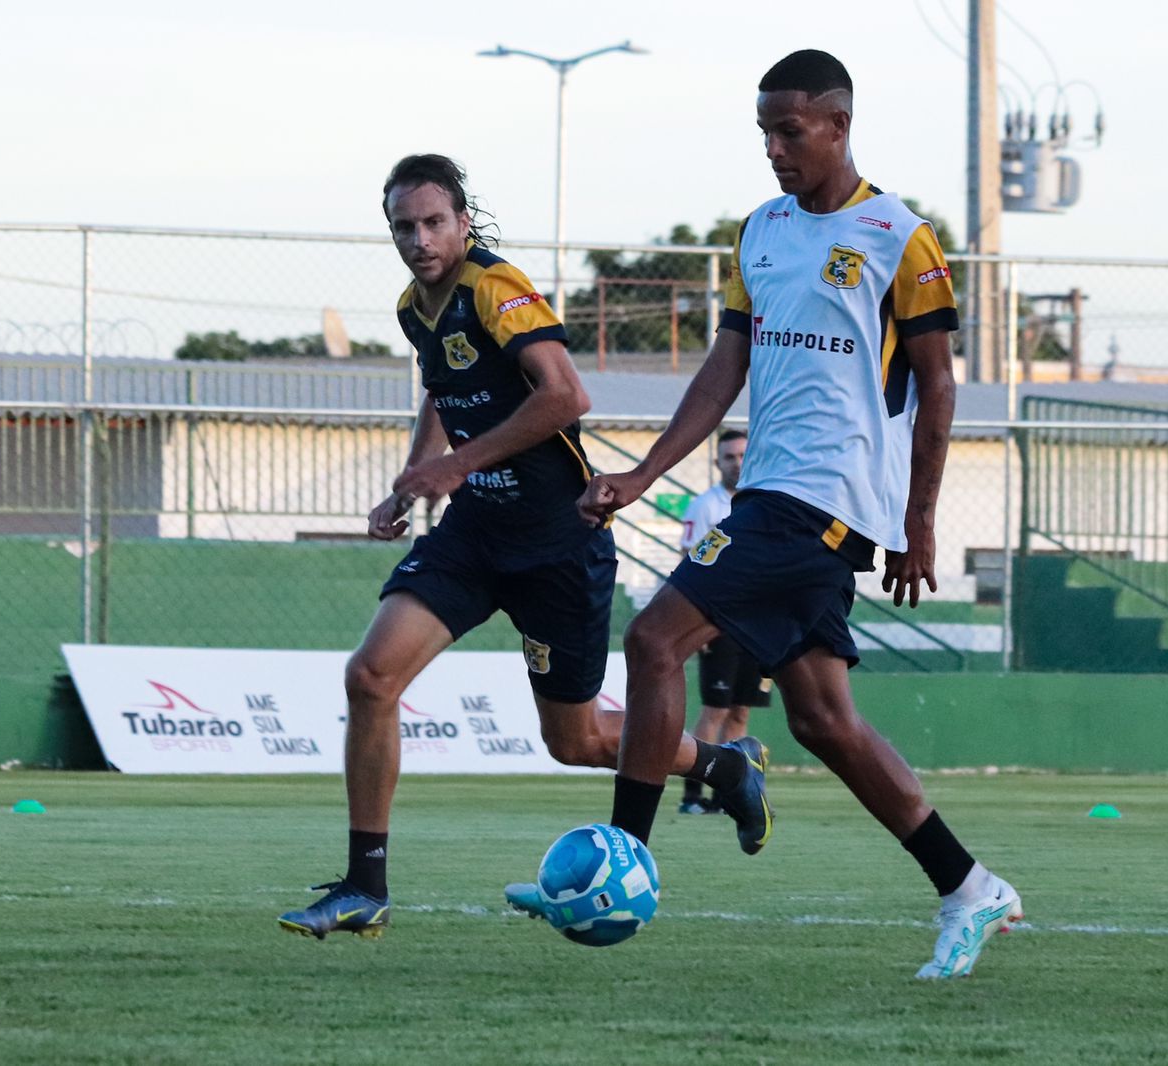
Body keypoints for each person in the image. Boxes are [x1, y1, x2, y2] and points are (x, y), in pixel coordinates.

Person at [576, 51, 1022, 979]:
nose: (775, 149)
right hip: (772, 492)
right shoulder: (761, 234)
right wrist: (644, 469)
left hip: (825, 499)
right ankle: (969, 885)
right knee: (823, 720)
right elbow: (722, 370)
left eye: (791, 131)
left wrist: (918, 521)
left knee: (656, 642)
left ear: (838, 124)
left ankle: (626, 861)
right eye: (764, 133)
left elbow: (939, 390)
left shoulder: (904, 238)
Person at [277, 154, 764, 940]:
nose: (419, 238)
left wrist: (457, 464)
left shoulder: (495, 289)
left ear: (464, 222)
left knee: (576, 741)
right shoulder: (415, 307)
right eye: (404, 225)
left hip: (556, 543)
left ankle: (722, 765)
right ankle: (365, 887)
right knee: (370, 677)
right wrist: (411, 482)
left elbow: (568, 394)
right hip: (474, 536)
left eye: (434, 222)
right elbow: (444, 387)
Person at [675, 429, 771, 815]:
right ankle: (693, 794)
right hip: (718, 621)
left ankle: (729, 794)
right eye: (729, 456)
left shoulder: (766, 503)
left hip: (758, 623)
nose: (737, 462)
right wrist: (692, 621)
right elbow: (688, 563)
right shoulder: (705, 506)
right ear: (718, 462)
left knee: (740, 710)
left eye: (743, 455)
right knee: (714, 710)